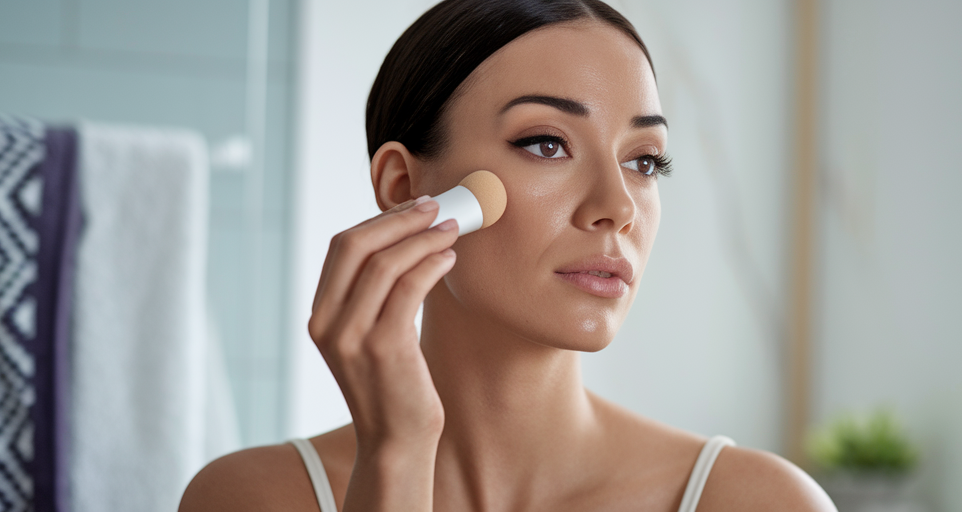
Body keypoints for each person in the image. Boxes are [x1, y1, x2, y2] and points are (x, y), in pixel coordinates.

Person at [180, 0, 835, 510]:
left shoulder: (760, 502)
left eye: (644, 160)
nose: (618, 206)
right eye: (547, 144)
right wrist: (397, 454)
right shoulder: (254, 498)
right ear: (404, 187)